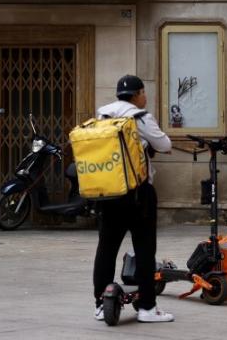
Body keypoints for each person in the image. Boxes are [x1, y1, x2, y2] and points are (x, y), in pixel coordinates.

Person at [91, 74, 174, 323]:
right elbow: (164, 144)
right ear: (137, 94)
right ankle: (147, 308)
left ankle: (99, 305)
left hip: (108, 192)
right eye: (144, 92)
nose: (145, 97)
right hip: (139, 194)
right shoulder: (141, 116)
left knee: (106, 249)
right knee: (145, 249)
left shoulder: (103, 115)